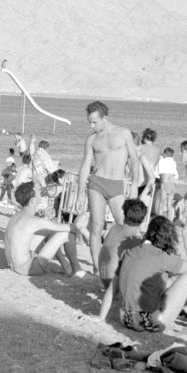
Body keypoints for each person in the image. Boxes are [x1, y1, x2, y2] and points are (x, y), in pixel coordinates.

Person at [115, 216, 187, 335]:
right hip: (147, 323)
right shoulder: (161, 256)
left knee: (171, 280)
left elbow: (114, 288)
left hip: (125, 319)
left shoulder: (132, 252)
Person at [76, 101, 140, 270]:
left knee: (125, 225)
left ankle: (127, 264)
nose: (91, 125)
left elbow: (134, 159)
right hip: (96, 183)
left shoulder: (124, 133)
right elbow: (84, 166)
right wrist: (80, 193)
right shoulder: (91, 139)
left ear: (105, 118)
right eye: (89, 121)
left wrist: (135, 184)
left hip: (116, 185)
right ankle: (97, 268)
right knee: (96, 227)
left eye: (95, 122)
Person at [4, 182, 76, 276]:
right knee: (67, 234)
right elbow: (71, 228)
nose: (41, 194)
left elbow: (45, 225)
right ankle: (76, 269)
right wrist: (83, 229)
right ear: (33, 201)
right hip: (27, 268)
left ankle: (66, 267)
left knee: (48, 229)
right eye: (38, 193)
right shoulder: (33, 220)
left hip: (13, 265)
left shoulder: (16, 216)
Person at [97, 198, 148, 321]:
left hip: (105, 279)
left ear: (124, 214)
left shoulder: (115, 228)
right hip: (115, 286)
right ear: (143, 218)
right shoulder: (132, 239)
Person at [136, 129, 161, 208]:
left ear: (144, 137)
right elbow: (155, 164)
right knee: (144, 208)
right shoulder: (157, 150)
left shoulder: (140, 147)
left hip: (139, 180)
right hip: (150, 182)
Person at [153, 147, 179, 219]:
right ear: (172, 155)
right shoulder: (173, 162)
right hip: (172, 185)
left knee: (161, 204)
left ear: (164, 154)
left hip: (165, 184)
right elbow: (176, 175)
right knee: (169, 205)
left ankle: (159, 220)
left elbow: (156, 173)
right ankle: (170, 220)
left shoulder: (161, 161)